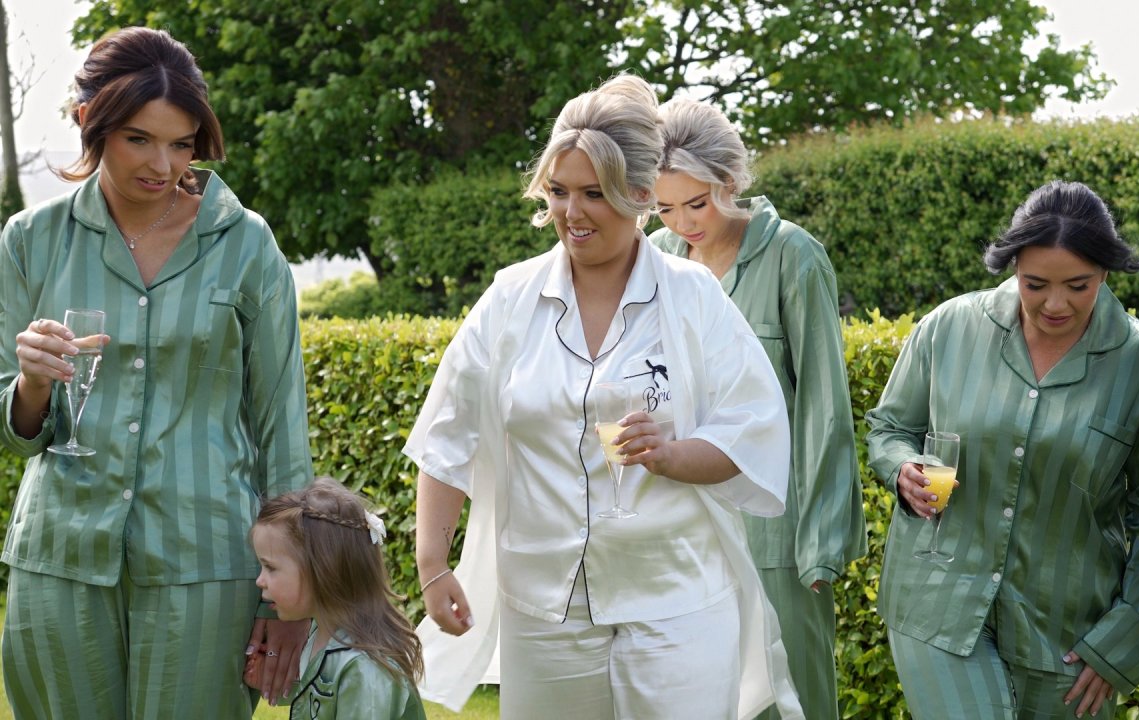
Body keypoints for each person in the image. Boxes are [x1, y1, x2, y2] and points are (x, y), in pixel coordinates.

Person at [403, 74, 802, 719]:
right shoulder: (508, 299)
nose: (571, 213)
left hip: (676, 601)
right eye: (559, 192)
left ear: (641, 195)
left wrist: (672, 454)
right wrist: (431, 562)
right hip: (545, 607)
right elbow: (448, 434)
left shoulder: (693, 297)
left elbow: (752, 430)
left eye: (594, 194)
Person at [0, 27, 313, 718]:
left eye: (182, 143)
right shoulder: (29, 241)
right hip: (59, 564)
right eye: (139, 139)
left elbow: (281, 427)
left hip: (206, 566)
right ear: (90, 122)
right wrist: (31, 384)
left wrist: (293, 592)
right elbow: (16, 432)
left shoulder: (246, 244)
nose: (163, 164)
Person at [866, 180, 1139, 719]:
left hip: (1068, 635)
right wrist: (901, 468)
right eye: (1035, 284)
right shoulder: (949, 327)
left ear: (1106, 272)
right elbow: (889, 426)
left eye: (1078, 285)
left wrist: (1122, 641)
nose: (1055, 303)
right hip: (935, 600)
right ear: (1012, 268)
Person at [649, 97, 865, 720]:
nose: (684, 222)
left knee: (791, 699)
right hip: (683, 522)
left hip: (776, 524)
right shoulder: (657, 259)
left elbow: (825, 403)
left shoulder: (793, 256)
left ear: (731, 182)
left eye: (699, 202)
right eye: (665, 206)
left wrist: (820, 539)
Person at [249, 477, 425, 719]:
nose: (260, 580)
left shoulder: (364, 668)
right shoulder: (322, 633)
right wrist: (285, 688)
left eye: (271, 568)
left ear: (320, 570)